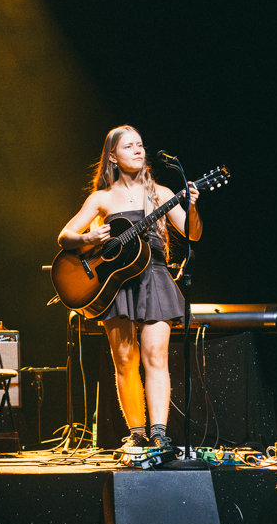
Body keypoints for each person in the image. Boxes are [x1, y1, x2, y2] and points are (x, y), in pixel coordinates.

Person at [57, 125, 202, 455]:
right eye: (129, 146)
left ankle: (159, 433)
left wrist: (191, 204)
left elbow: (193, 234)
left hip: (155, 277)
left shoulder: (161, 193)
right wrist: (88, 238)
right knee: (124, 359)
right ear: (113, 157)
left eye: (140, 145)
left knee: (156, 357)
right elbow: (65, 237)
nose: (138, 150)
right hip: (115, 283)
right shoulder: (102, 198)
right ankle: (136, 433)